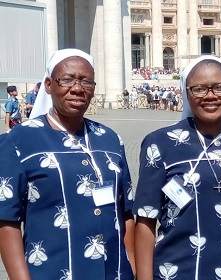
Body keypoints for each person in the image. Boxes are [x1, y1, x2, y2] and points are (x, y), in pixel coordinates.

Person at [133, 55, 221, 280]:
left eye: (219, 87)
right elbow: (145, 219)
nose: (210, 96)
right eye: (199, 89)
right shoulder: (160, 143)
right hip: (180, 271)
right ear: (187, 93)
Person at [0, 48, 135, 280]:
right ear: (49, 85)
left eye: (86, 82)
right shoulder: (19, 140)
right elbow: (6, 219)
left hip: (113, 272)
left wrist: (131, 266)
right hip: (52, 270)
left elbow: (126, 212)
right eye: (67, 80)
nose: (77, 88)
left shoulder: (110, 139)